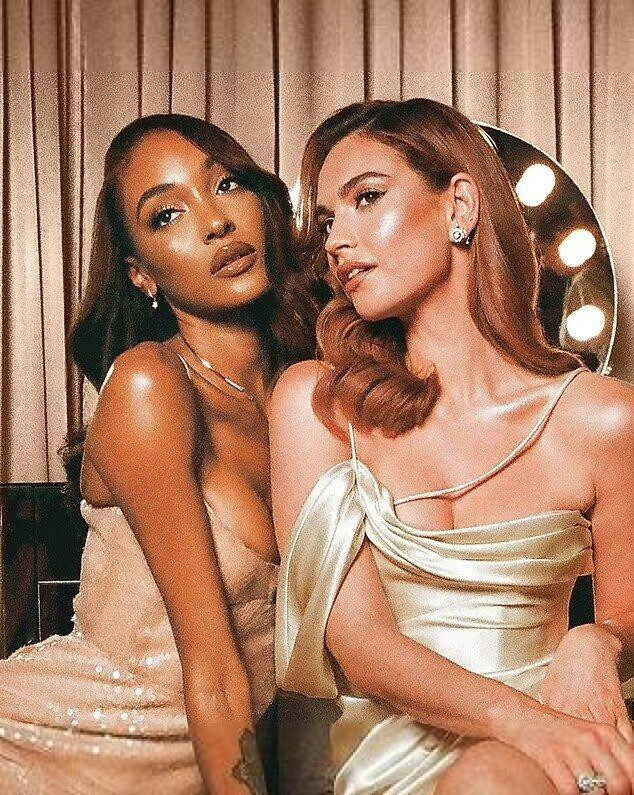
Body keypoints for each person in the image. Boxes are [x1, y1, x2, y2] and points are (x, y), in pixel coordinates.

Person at [270, 99, 634, 795]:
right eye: (327, 220)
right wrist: (525, 722)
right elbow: (360, 645)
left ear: (459, 205)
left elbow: (628, 617)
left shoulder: (604, 420)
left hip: (553, 753)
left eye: (366, 198)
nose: (337, 241)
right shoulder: (317, 407)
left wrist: (599, 638)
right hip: (390, 758)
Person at [0, 113, 319, 794]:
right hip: (58, 762)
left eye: (226, 184)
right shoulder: (150, 385)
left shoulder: (305, 393)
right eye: (168, 214)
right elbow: (215, 671)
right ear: (141, 275)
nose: (215, 223)